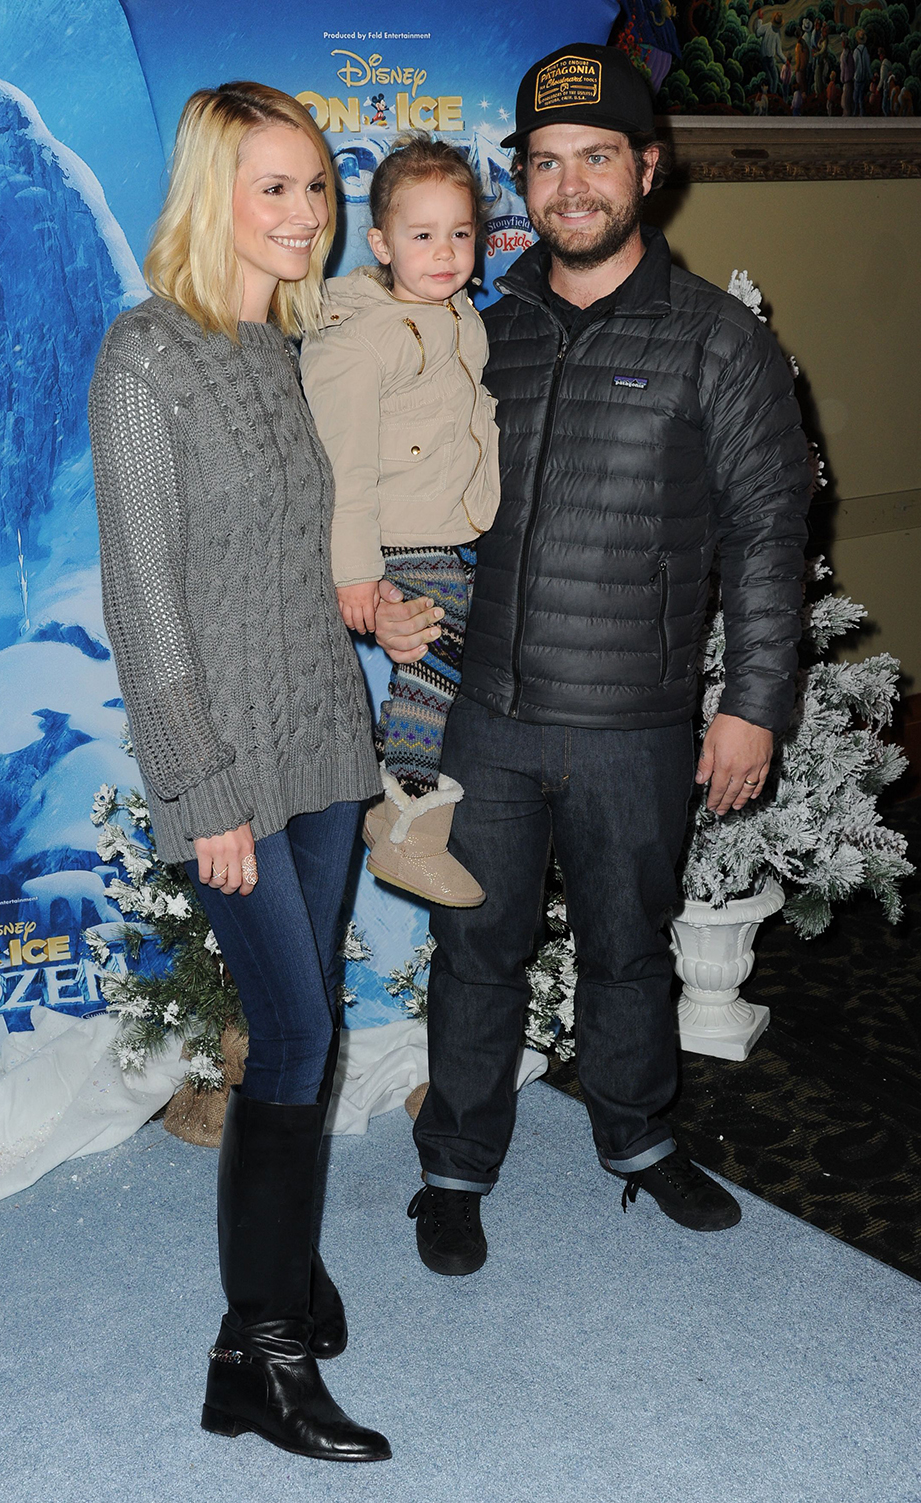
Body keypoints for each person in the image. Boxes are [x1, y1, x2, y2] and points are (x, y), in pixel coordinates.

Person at [375, 43, 810, 1276]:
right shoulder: (474, 329)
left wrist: (755, 704)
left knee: (630, 947)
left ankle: (635, 1139)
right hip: (486, 715)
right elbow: (392, 475)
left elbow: (769, 531)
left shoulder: (718, 343)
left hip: (635, 719)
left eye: (597, 159)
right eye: (547, 162)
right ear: (523, 179)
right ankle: (454, 1165)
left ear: (648, 171)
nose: (570, 186)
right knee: (475, 952)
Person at [88, 81, 390, 1463]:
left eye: (316, 187)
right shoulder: (146, 355)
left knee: (305, 1020)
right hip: (232, 769)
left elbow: (285, 571)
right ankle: (251, 1354)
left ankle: (287, 1264)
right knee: (299, 1039)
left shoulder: (280, 347)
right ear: (213, 196)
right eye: (274, 187)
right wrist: (201, 788)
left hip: (321, 737)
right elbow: (146, 603)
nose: (305, 212)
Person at [300, 134, 499, 909]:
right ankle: (413, 822)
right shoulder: (359, 336)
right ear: (381, 242)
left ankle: (393, 809)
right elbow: (340, 467)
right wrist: (354, 571)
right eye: (422, 235)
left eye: (460, 233)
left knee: (442, 669)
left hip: (455, 527)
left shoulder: (460, 313)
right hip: (401, 537)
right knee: (430, 667)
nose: (445, 252)